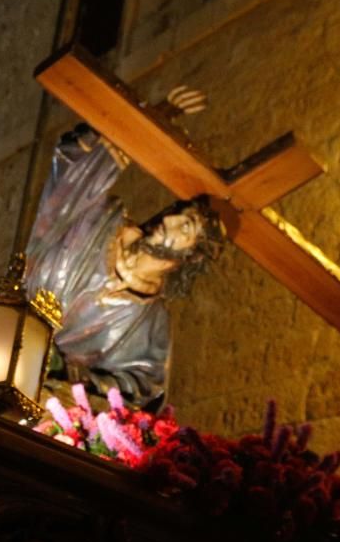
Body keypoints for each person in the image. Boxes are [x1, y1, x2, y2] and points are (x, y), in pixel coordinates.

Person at [25, 119, 223, 411]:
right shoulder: (101, 222)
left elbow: (142, 389)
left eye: (185, 228)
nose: (168, 221)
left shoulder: (150, 321)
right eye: (176, 212)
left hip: (47, 403)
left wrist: (78, 378)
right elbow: (65, 183)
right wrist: (144, 121)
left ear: (191, 256)